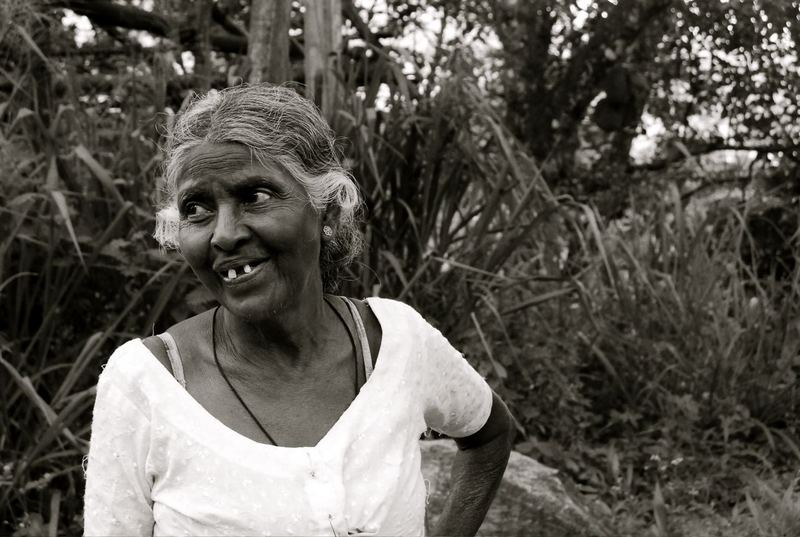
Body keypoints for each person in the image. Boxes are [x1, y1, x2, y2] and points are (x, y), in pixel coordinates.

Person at [83, 84, 514, 536]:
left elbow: (489, 433)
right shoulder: (146, 383)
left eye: (256, 196)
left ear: (325, 211)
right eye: (197, 208)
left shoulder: (394, 342)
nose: (224, 235)